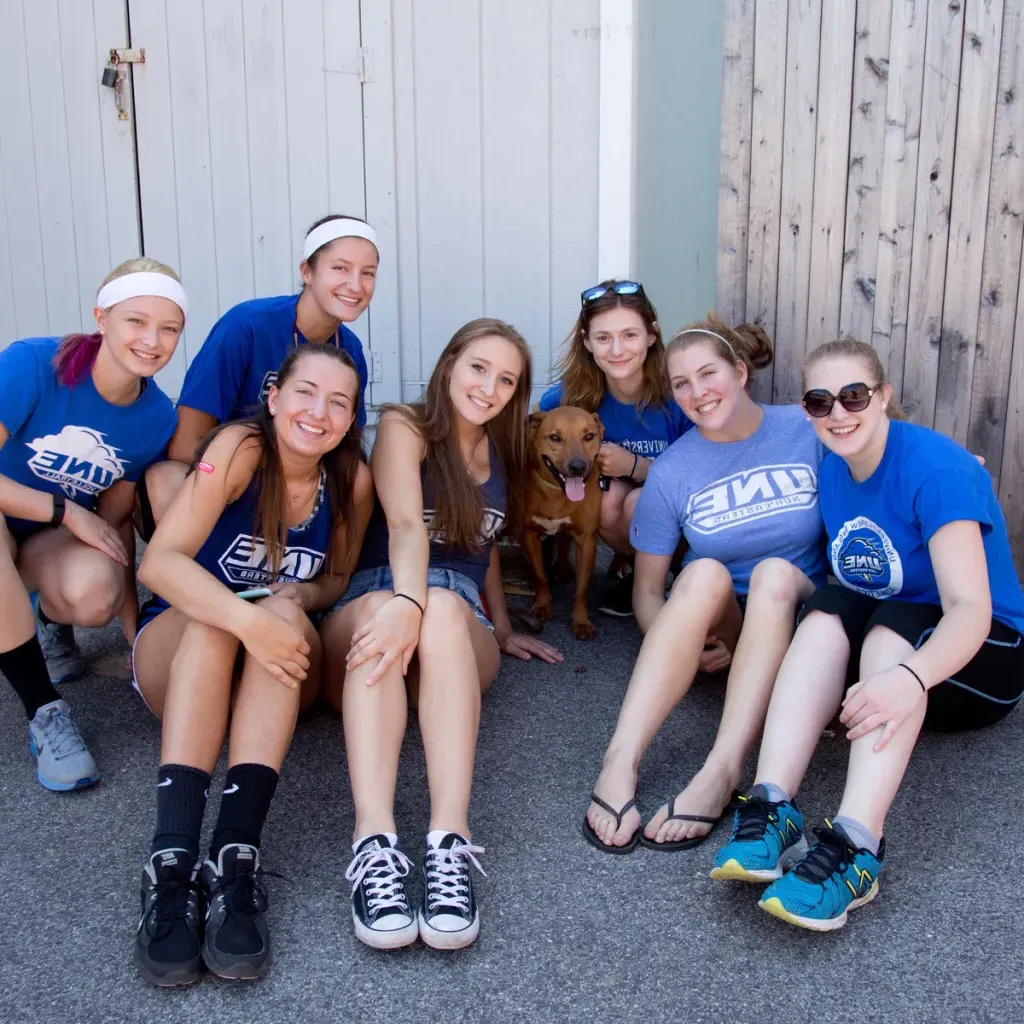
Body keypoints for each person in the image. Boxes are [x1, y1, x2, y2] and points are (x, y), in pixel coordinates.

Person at [711, 339, 1024, 932]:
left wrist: (909, 679)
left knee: (887, 629)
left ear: (884, 397)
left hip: (986, 657)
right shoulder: (836, 467)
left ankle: (858, 847)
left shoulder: (936, 469)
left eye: (853, 395)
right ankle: (772, 804)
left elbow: (969, 611)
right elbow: (861, 579)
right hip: (902, 630)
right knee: (828, 610)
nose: (838, 412)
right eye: (820, 401)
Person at [131, 344, 372, 985]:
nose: (318, 412)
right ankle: (172, 862)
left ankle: (236, 859)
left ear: (351, 419)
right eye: (304, 393)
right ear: (273, 397)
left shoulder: (350, 478)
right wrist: (246, 618)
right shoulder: (240, 450)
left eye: (338, 402)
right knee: (223, 621)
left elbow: (339, 577)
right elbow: (158, 563)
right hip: (185, 648)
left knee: (286, 615)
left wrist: (301, 596)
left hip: (279, 662)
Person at [321, 318, 562, 952]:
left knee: (449, 611)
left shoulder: (505, 456)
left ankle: (448, 845)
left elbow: (482, 555)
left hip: (454, 627)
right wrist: (406, 599)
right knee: (392, 610)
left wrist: (503, 628)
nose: (490, 386)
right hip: (379, 599)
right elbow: (403, 523)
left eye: (507, 379)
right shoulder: (406, 426)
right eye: (479, 367)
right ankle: (373, 844)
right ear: (450, 363)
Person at [584, 315, 828, 854]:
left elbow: (878, 438)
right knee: (700, 571)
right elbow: (648, 591)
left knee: (772, 574)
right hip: (733, 628)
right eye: (680, 383)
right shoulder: (673, 470)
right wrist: (688, 645)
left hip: (807, 620)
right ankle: (620, 760)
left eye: (707, 374)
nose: (697, 392)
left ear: (740, 372)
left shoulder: (804, 428)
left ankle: (723, 770)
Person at [0, 259, 183, 791]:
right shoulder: (34, 364)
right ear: (101, 318)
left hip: (40, 546)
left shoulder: (156, 419)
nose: (152, 340)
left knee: (94, 591)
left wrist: (134, 640)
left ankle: (48, 624)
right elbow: (80, 516)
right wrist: (63, 510)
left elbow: (114, 525)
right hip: (21, 521)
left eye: (169, 328)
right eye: (136, 321)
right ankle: (45, 710)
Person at [137, 213, 378, 535]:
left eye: (368, 273)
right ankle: (182, 575)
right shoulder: (247, 325)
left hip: (296, 485)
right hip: (224, 478)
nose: (355, 285)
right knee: (166, 477)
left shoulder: (349, 350)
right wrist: (251, 479)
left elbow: (345, 450)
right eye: (340, 268)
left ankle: (315, 578)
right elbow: (184, 445)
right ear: (307, 271)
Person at [538, 280, 691, 615]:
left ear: (652, 335)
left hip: (689, 515)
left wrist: (635, 466)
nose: (617, 350)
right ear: (587, 343)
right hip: (622, 509)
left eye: (629, 335)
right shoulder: (567, 398)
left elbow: (705, 478)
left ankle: (678, 573)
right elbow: (537, 438)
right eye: (603, 337)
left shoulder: (680, 391)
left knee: (640, 500)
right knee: (604, 501)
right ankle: (647, 575)